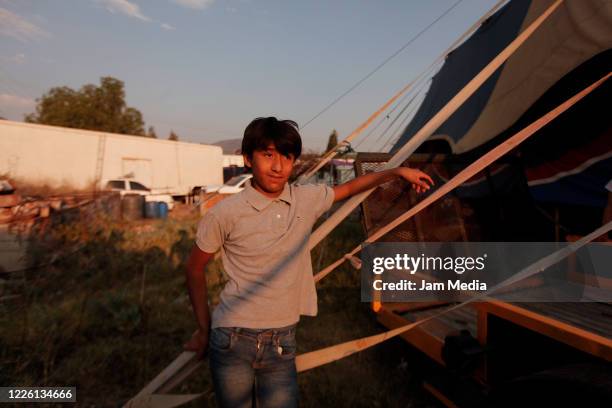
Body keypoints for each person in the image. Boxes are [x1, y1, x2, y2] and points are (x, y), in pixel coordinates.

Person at [183, 117, 433, 407]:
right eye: (268, 155)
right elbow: (194, 268)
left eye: (287, 157)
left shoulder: (306, 200)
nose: (278, 167)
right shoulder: (225, 213)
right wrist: (204, 329)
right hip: (233, 340)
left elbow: (352, 188)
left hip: (282, 343)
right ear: (247, 159)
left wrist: (398, 172)